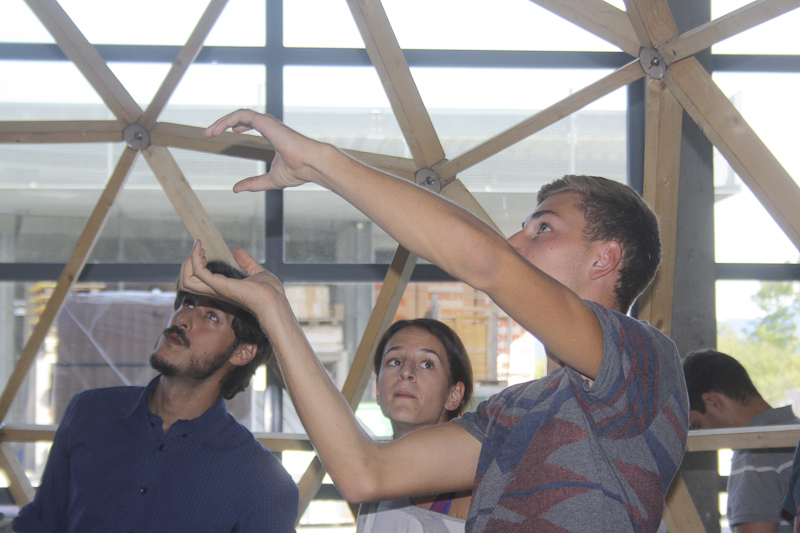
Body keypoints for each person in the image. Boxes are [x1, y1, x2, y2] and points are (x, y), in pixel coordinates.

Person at [180, 108, 689, 532]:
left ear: (604, 259)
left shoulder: (644, 363)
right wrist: (275, 314)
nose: (515, 241)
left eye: (542, 228)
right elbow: (365, 472)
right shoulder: (513, 410)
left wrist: (321, 163)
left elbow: (486, 262)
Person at [13, 260, 299, 533]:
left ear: (242, 352)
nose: (184, 318)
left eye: (212, 316)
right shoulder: (88, 412)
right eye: (188, 302)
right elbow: (41, 525)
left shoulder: (262, 481)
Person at [357, 318, 474, 532]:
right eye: (395, 361)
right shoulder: (370, 481)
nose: (406, 372)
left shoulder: (473, 490)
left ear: (454, 394)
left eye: (427, 364)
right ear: (378, 389)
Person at [683, 349, 799, 533]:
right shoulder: (794, 433)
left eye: (697, 425)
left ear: (713, 403)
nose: (701, 433)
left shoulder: (753, 455)